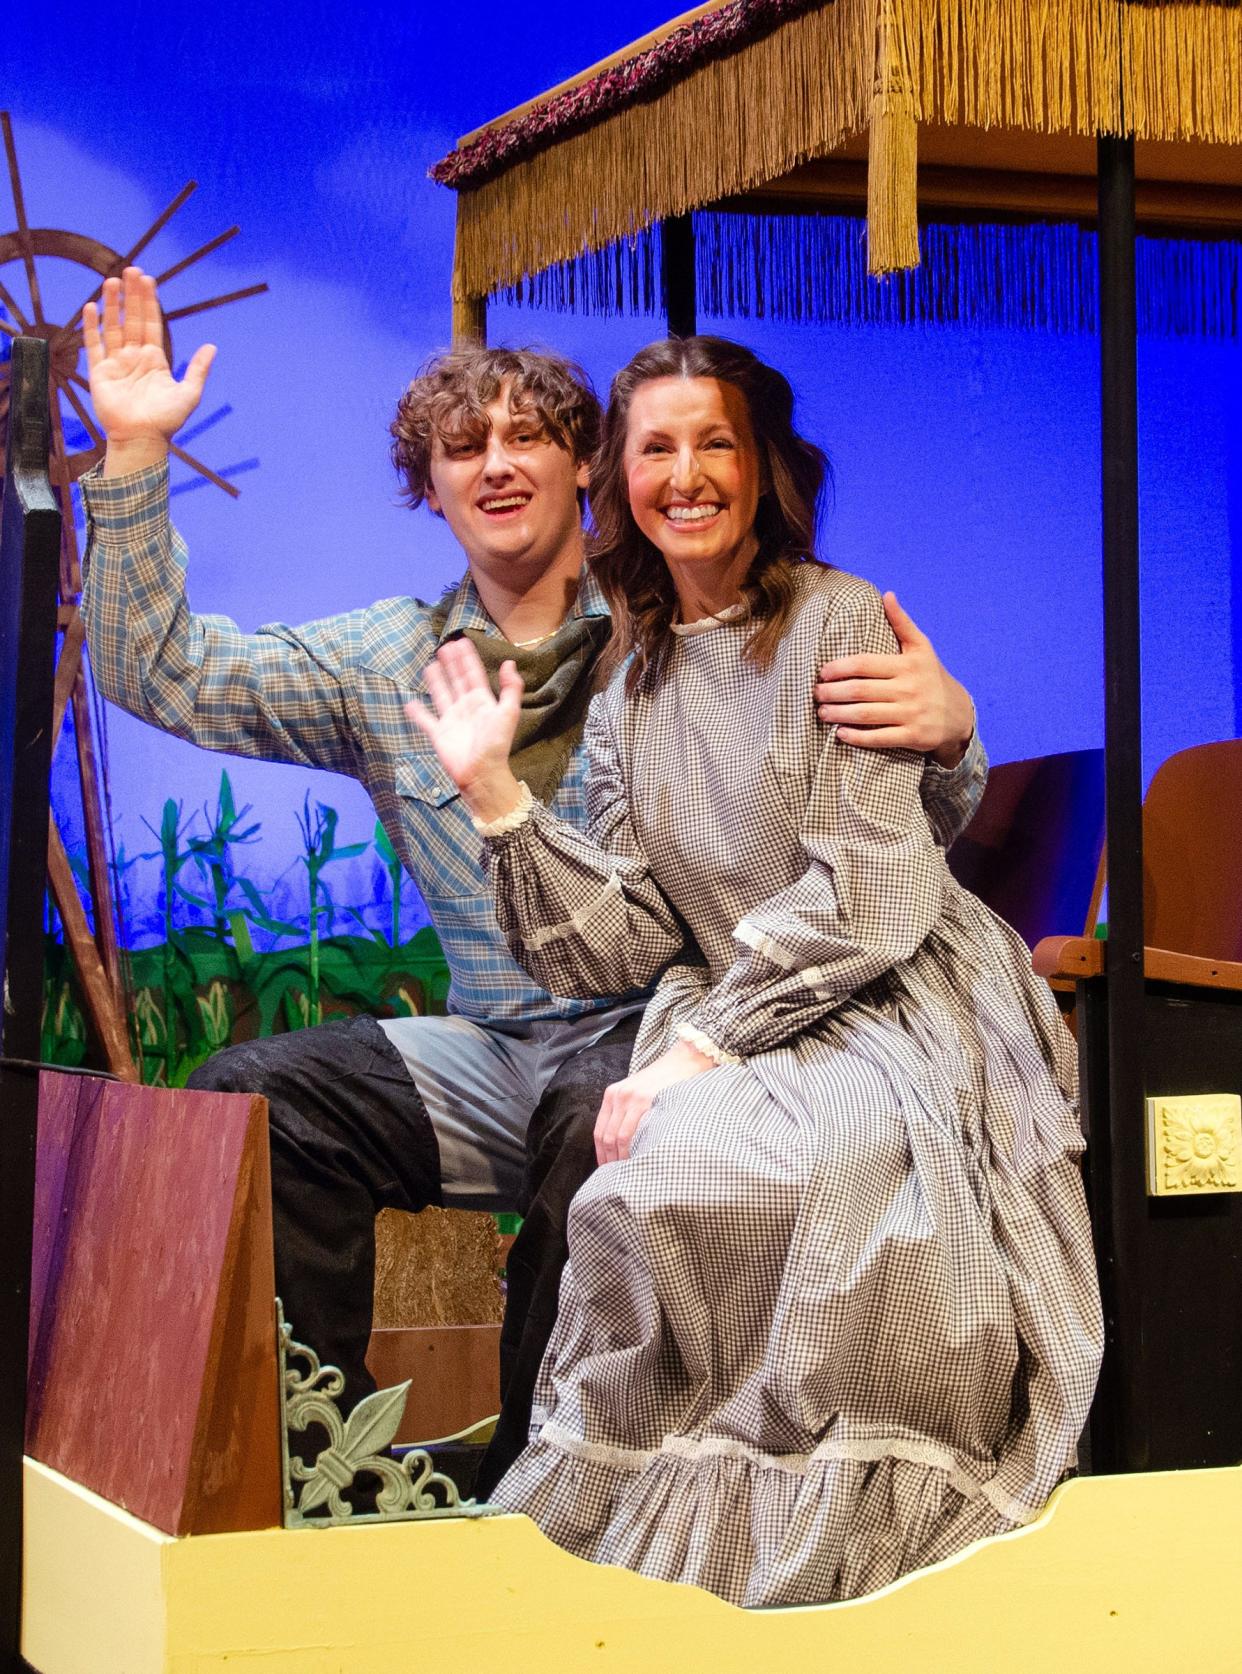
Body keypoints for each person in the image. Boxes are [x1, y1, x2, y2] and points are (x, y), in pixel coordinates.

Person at [79, 269, 986, 1498]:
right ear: (432, 485)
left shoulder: (674, 616)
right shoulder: (386, 662)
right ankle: (314, 1458)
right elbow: (164, 673)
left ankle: (536, 1490)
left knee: (592, 1116)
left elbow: (854, 813)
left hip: (672, 1031)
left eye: (529, 437)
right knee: (260, 1093)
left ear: (585, 469)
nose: (496, 464)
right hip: (496, 1039)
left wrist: (951, 731)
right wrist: (133, 454)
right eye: (462, 447)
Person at [411, 335, 1103, 1604]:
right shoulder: (634, 680)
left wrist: (699, 1049)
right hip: (742, 1006)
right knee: (656, 1169)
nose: (685, 474)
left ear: (763, 466)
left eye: (713, 441)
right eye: (655, 448)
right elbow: (621, 937)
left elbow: (869, 886)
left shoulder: (839, 621)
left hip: (886, 994)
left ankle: (837, 1548)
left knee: (813, 1163)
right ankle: (680, 1555)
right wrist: (500, 797)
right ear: (617, 483)